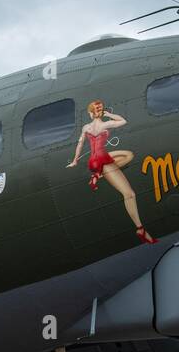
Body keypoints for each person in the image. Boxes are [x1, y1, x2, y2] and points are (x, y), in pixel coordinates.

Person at [67, 100, 157, 244]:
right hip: (103, 158)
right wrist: (110, 114)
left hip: (94, 160)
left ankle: (98, 174)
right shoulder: (105, 124)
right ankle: (140, 229)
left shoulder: (86, 127)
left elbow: (80, 144)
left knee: (127, 155)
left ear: (90, 114)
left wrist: (75, 161)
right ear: (100, 112)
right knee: (129, 194)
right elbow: (123, 121)